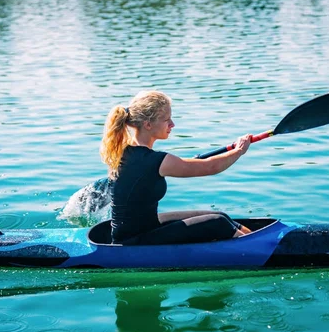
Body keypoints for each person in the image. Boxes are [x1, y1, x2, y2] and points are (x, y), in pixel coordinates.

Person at [99, 90, 252, 245]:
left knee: (221, 216)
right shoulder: (155, 160)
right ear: (148, 124)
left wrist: (186, 164)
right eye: (167, 120)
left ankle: (258, 240)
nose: (172, 124)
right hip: (133, 241)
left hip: (142, 229)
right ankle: (261, 249)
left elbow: (169, 165)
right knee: (218, 222)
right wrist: (239, 151)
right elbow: (211, 167)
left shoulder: (125, 151)